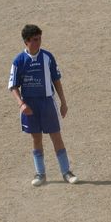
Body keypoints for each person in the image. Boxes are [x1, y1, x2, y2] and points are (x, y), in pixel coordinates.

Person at [8, 24, 78, 187]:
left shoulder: (47, 57)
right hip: (30, 105)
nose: (38, 42)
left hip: (47, 103)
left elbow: (56, 80)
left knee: (56, 136)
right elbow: (13, 86)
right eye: (35, 40)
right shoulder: (18, 61)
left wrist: (63, 102)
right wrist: (21, 104)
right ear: (26, 41)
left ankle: (66, 172)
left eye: (39, 39)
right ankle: (40, 173)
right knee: (36, 138)